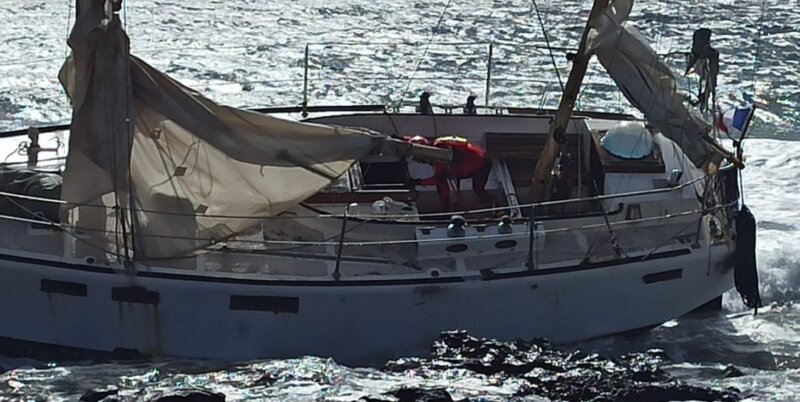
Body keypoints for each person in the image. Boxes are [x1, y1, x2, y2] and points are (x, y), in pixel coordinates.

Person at [406, 135, 493, 211]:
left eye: (417, 158)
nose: (418, 161)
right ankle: (446, 208)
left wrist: (417, 182)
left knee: (478, 189)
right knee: (442, 183)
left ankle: (495, 206)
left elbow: (438, 180)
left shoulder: (440, 156)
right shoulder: (438, 147)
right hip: (474, 161)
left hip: (481, 164)